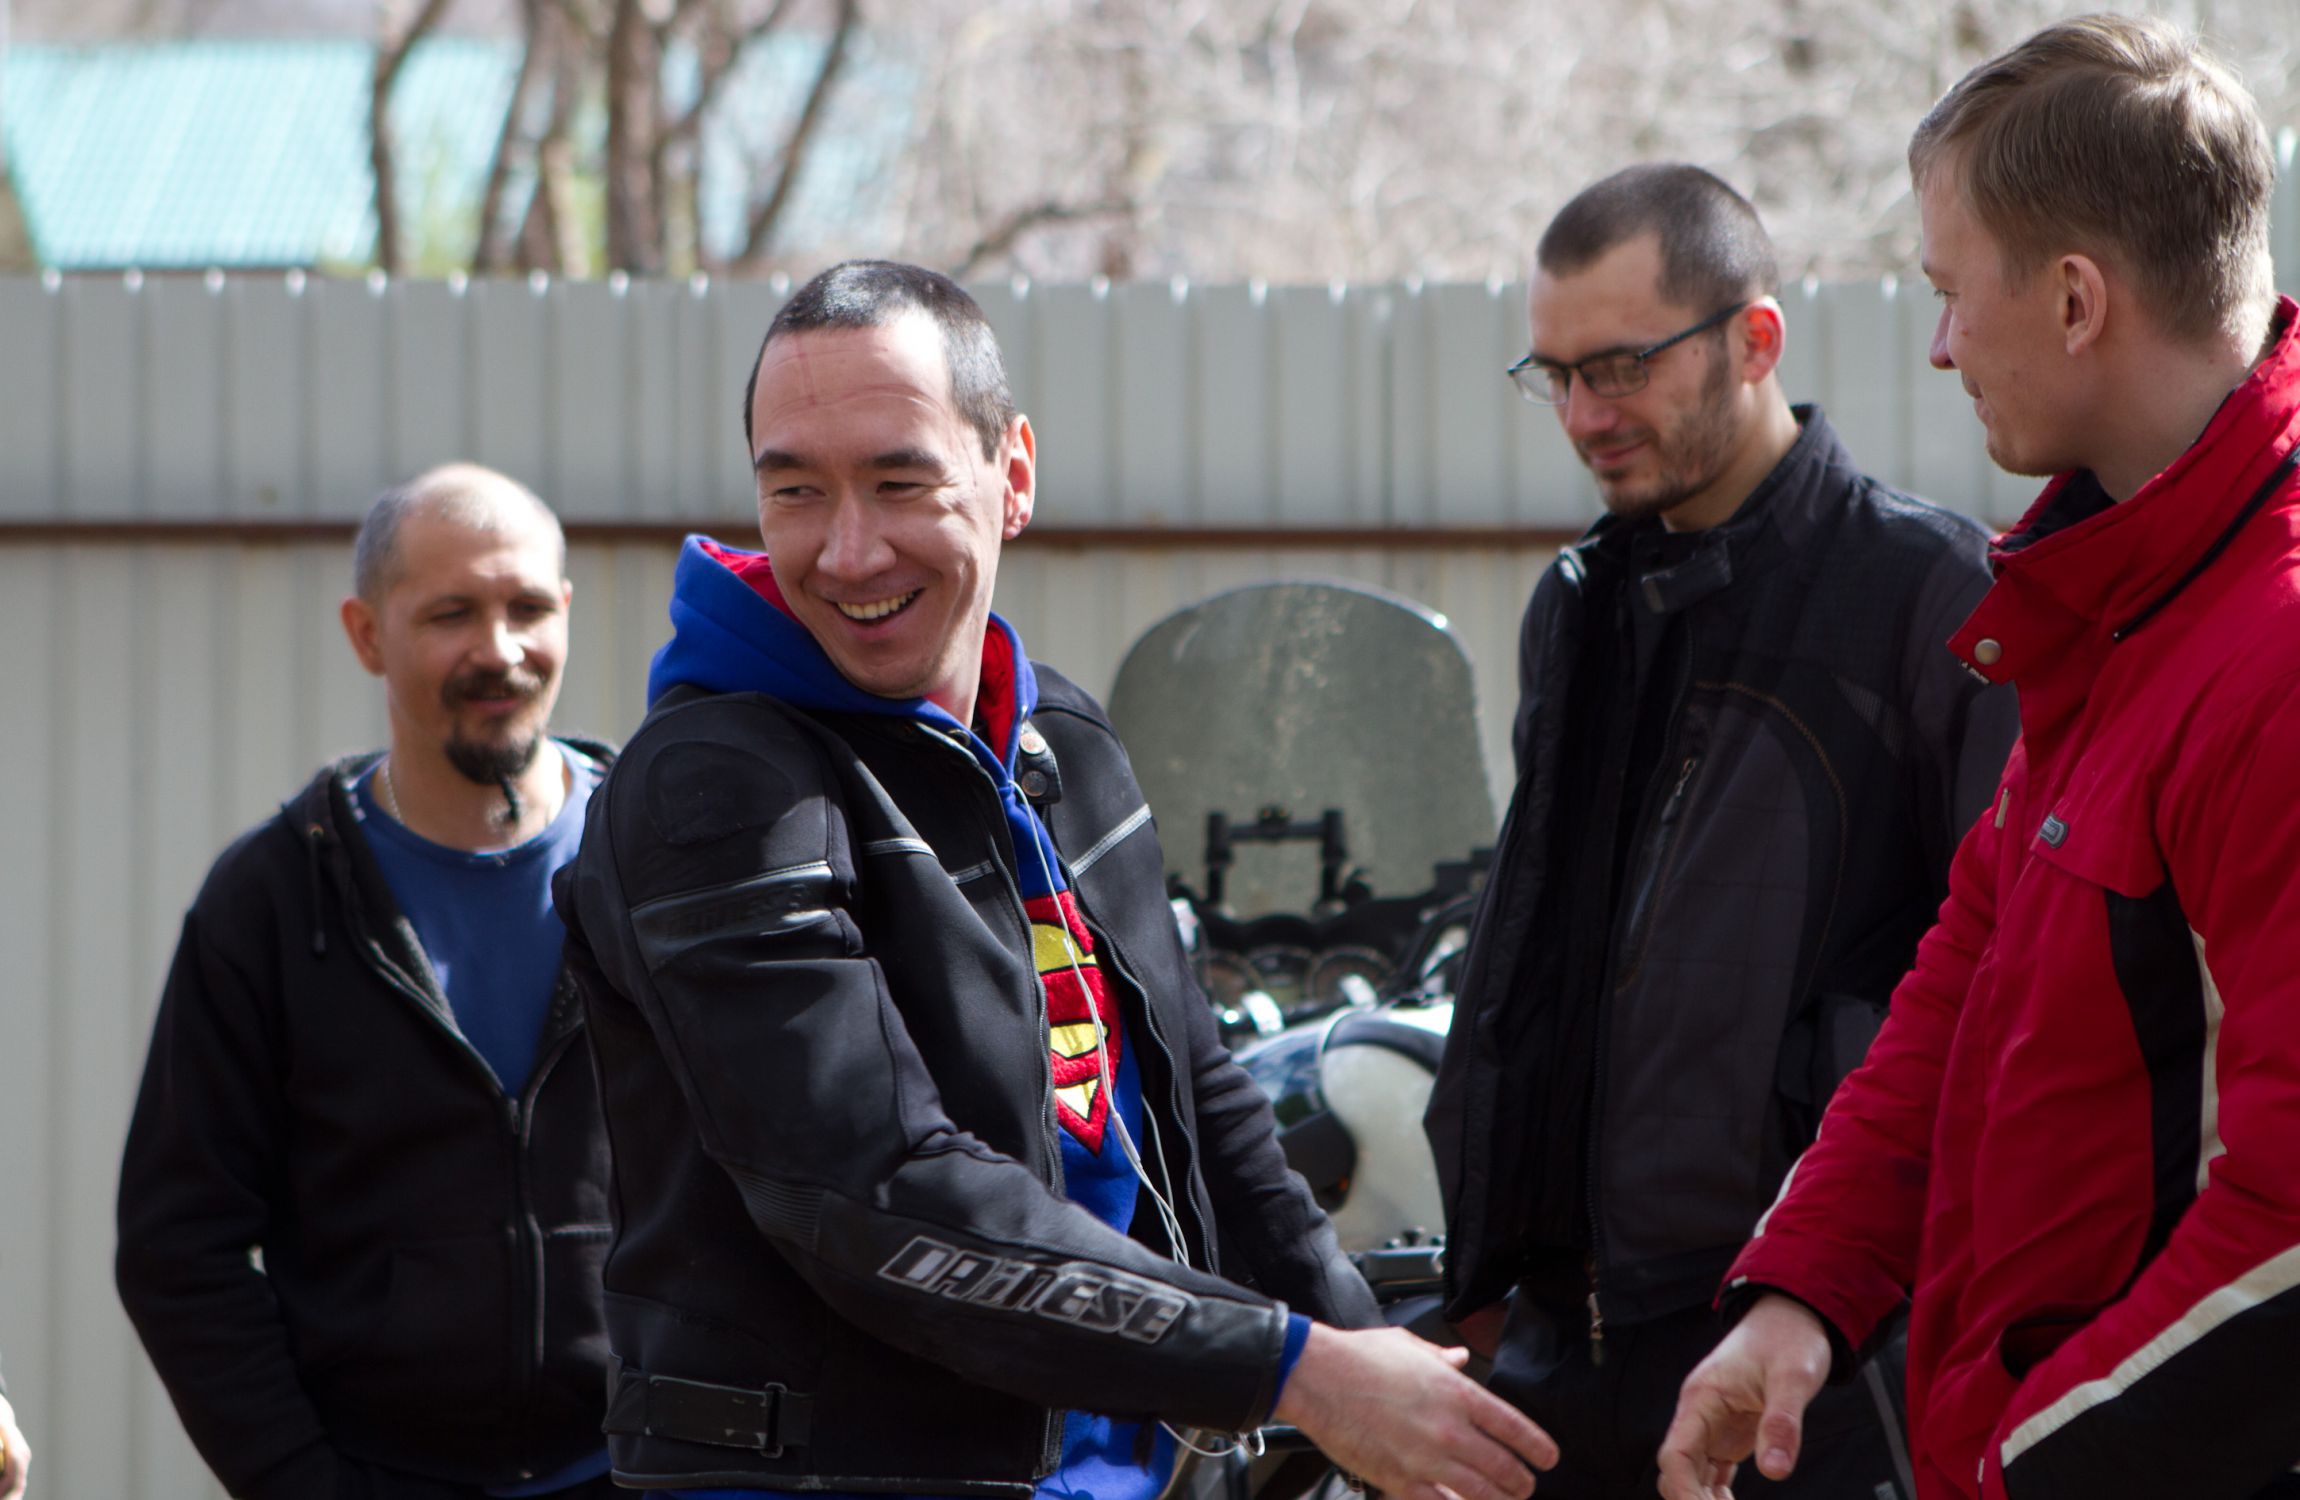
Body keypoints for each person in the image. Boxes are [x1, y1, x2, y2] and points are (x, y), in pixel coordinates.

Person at [553, 260, 1559, 1500]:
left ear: (1012, 474)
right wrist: (1293, 1370)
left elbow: (1197, 1091)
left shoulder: (1059, 742)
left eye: (900, 482)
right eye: (795, 490)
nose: (848, 549)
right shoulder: (710, 789)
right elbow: (874, 1193)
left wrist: (1381, 1369)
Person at [1657, 17, 2300, 1500]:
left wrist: (2021, 1465)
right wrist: (1806, 1286)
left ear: (2075, 300)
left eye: (1950, 293)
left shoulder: (2268, 651)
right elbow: (1970, 974)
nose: (1939, 345)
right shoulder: (2129, 596)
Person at [1422, 165, 2018, 1499]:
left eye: (1620, 368)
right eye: (1555, 375)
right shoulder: (1577, 604)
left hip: (1812, 1363)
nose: (1584, 414)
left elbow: (2001, 996)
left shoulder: (1934, 596)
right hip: (1559, 1356)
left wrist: (1839, 1294)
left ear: (1754, 340)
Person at [116, 465, 618, 1500]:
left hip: (645, 1471)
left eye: (528, 608)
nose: (500, 650)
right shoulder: (269, 901)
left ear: (566, 612)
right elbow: (178, 1249)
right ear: (366, 634)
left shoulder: (655, 870)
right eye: (451, 613)